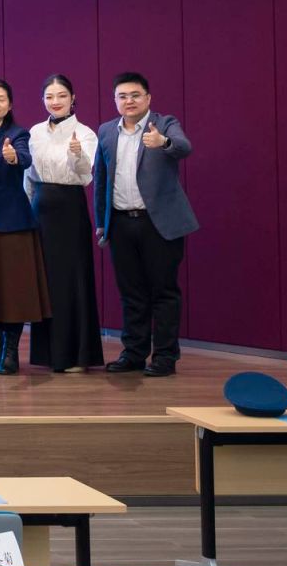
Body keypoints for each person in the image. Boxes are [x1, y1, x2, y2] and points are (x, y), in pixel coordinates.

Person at [92, 71, 197, 377]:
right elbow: (101, 179)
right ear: (115, 100)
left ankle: (164, 357)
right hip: (121, 223)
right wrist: (102, 222)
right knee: (131, 293)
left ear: (148, 98)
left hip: (158, 224)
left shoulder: (164, 124)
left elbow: (184, 147)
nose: (129, 101)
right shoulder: (106, 131)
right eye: (122, 96)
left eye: (135, 95)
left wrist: (163, 142)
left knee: (164, 292)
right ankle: (134, 353)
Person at [26, 75, 105, 373]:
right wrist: (28, 209)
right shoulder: (35, 132)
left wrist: (77, 155)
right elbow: (28, 177)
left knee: (72, 280)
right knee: (45, 281)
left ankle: (75, 356)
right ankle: (47, 355)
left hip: (70, 209)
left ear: (73, 98)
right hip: (40, 209)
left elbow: (86, 175)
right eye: (49, 96)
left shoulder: (85, 133)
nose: (55, 101)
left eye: (61, 95)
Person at [0, 78, 47, 375]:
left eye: (1, 99)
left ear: (10, 104)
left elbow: (24, 158)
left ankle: (11, 351)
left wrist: (13, 157)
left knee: (11, 287)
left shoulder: (17, 134)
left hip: (10, 222)